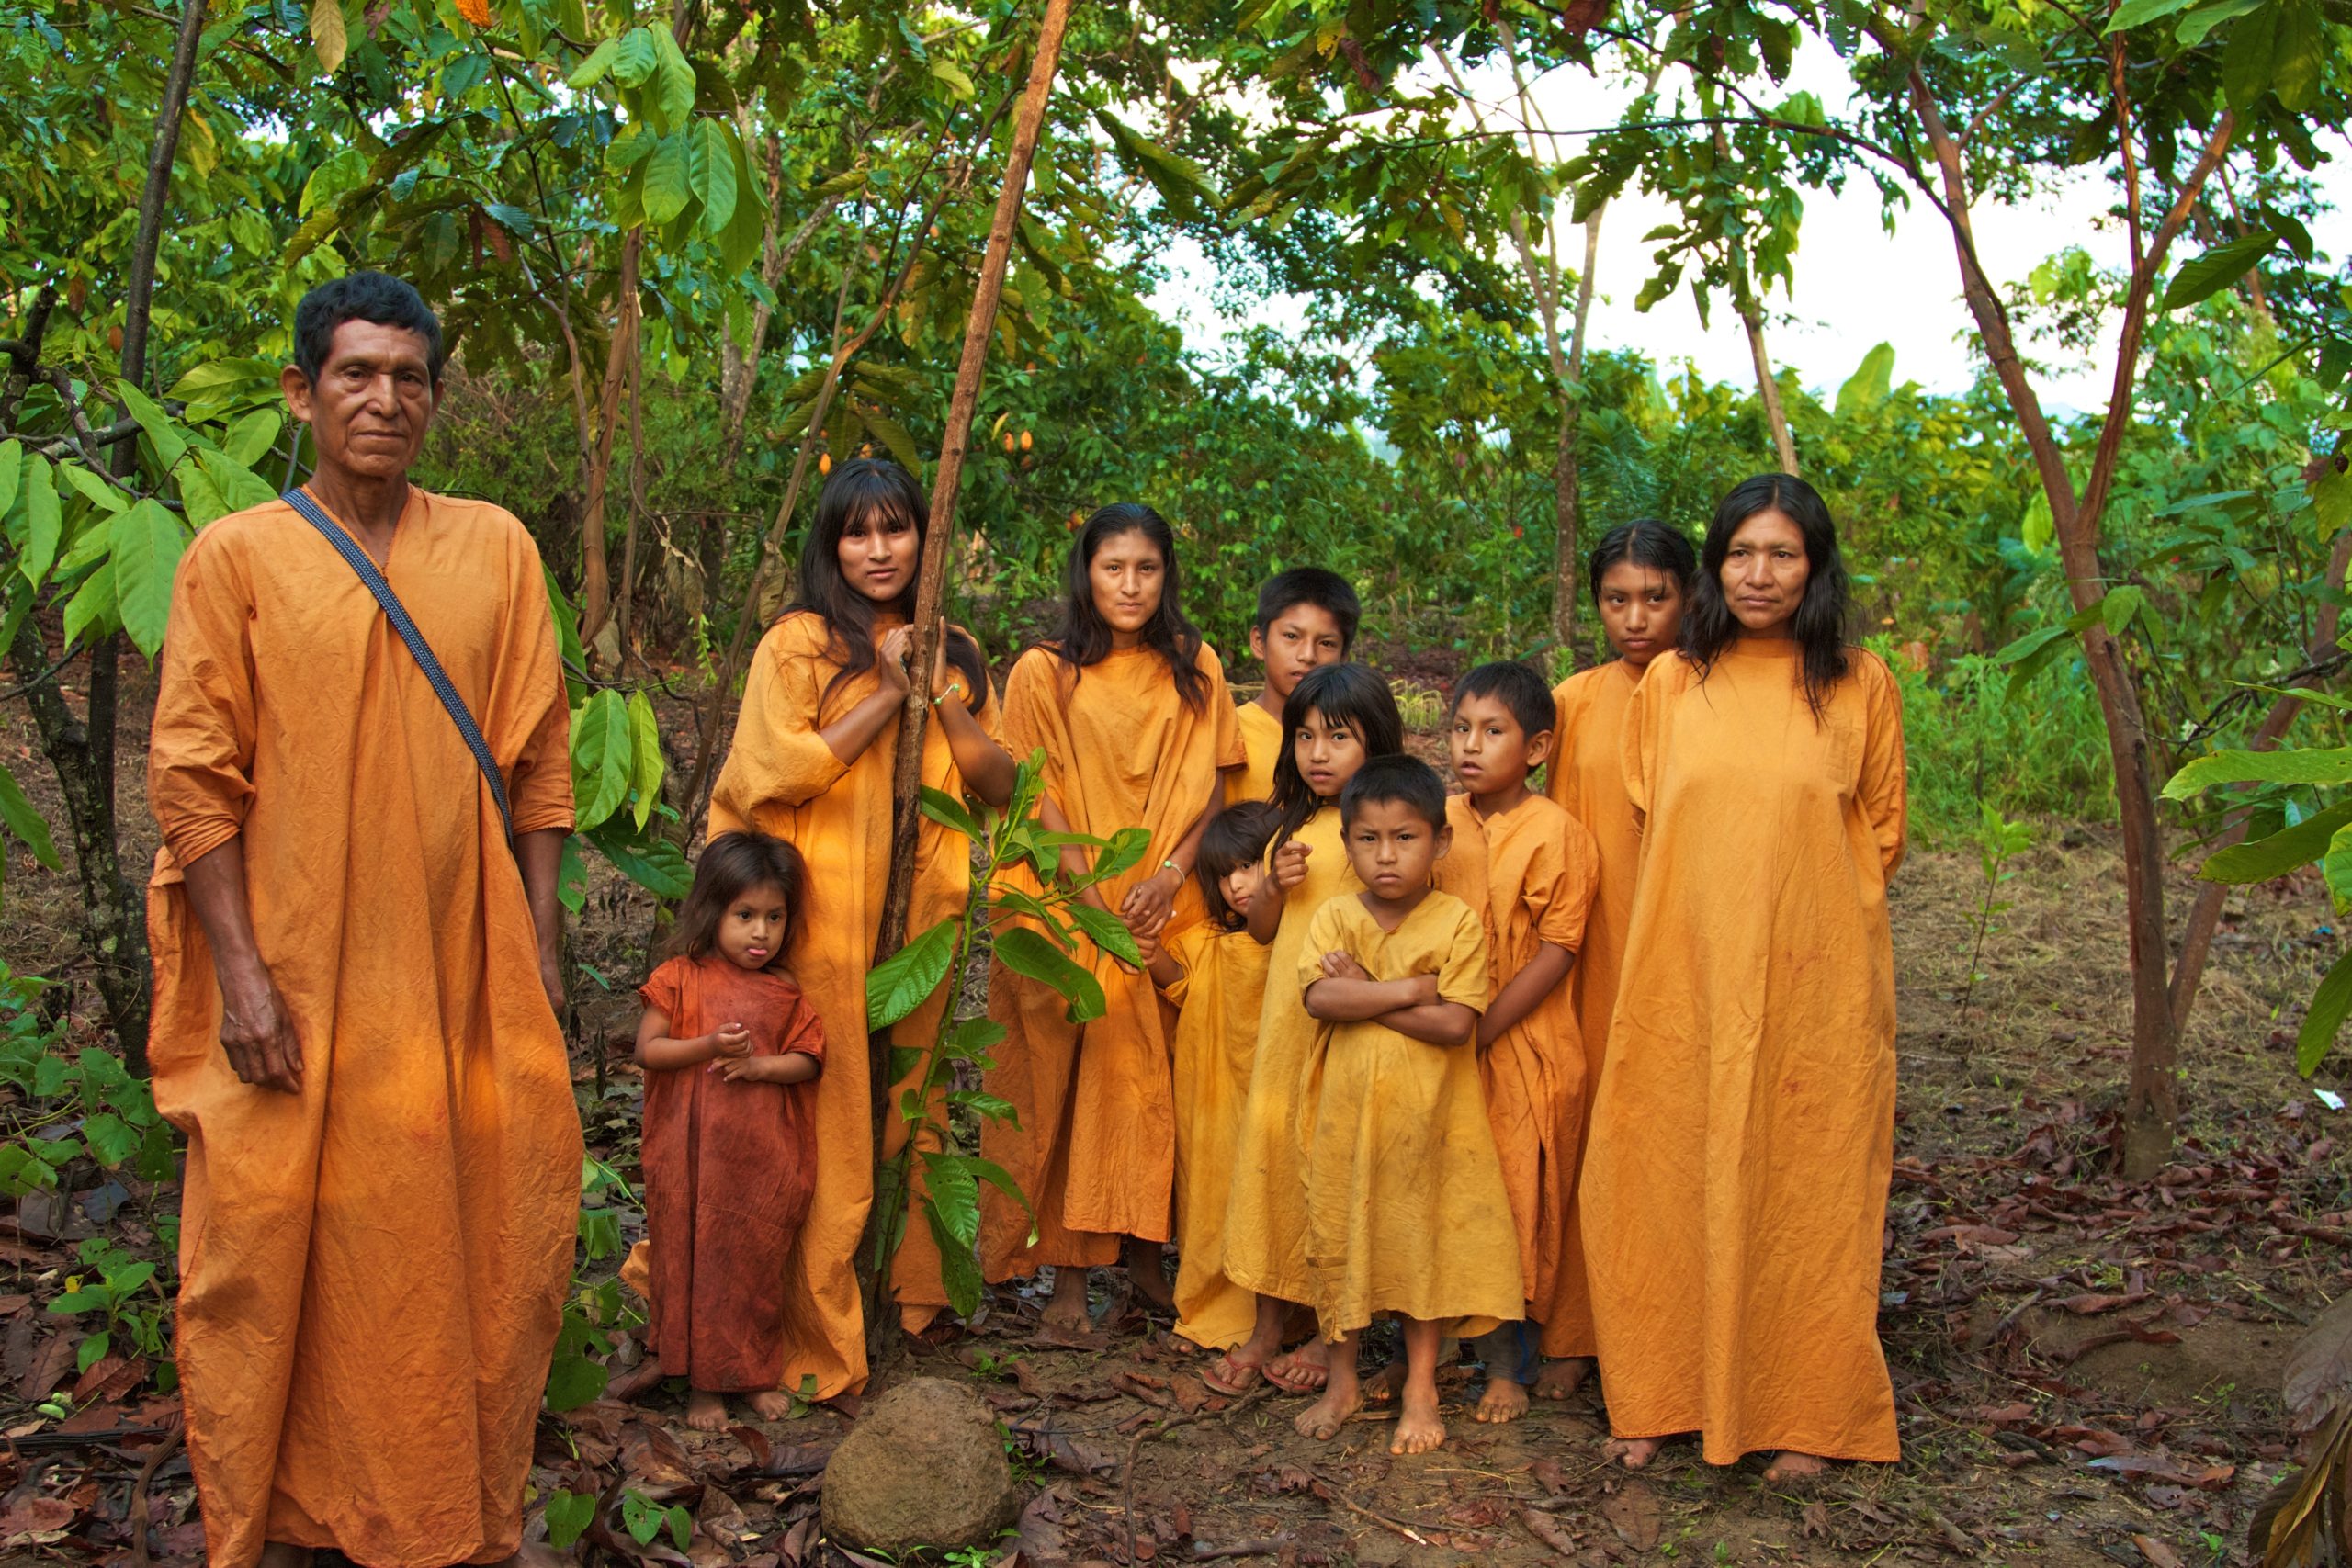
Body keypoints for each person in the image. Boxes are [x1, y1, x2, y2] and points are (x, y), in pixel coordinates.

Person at [146, 270, 580, 1568]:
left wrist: (545, 945)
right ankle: (280, 1515)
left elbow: (538, 760)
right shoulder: (238, 558)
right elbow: (191, 774)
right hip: (291, 968)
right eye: (356, 373)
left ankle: (451, 1510)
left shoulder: (494, 544)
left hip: (460, 964)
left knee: (480, 1230)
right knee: (270, 1246)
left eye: (408, 377)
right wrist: (241, 973)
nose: (384, 398)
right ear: (303, 390)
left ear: (435, 398)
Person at [1582, 475, 1906, 1480]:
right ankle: (1656, 1393)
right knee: (1661, 1165)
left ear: (1814, 566)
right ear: (1715, 565)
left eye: (1782, 554)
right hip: (1681, 974)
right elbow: (1650, 811)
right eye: (1740, 554)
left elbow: (1880, 830)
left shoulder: (1858, 680)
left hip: (1816, 983)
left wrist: (1794, 924)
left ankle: (1806, 1414)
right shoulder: (1674, 683)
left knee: (1805, 1182)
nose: (1759, 574)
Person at [708, 457, 1014, 1398]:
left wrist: (942, 692)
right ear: (829, 545)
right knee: (822, 1120)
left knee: (909, 1104)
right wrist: (885, 691)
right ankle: (804, 1334)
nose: (879, 551)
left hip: (918, 922)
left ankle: (904, 1294)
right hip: (821, 920)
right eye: (858, 532)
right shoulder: (799, 644)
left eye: (897, 530)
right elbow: (772, 771)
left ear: (926, 536)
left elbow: (1000, 786)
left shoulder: (952, 646)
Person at [978, 504, 1244, 1330]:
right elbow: (1037, 792)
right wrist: (1094, 905)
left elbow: (1214, 788)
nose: (1129, 585)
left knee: (1160, 1084)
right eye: (1112, 567)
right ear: (1084, 572)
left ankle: (1145, 1262)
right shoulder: (1042, 671)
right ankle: (1064, 1279)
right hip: (1072, 907)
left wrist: (1168, 875)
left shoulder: (1196, 664)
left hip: (1166, 901)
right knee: (1073, 1082)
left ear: (1168, 575)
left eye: (1146, 569)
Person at [1290, 755, 1521, 1455]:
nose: (1385, 855)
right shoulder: (1334, 914)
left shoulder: (1454, 921)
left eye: (1405, 838)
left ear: (1439, 843)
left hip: (1428, 1127)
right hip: (1343, 1123)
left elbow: (1458, 1024)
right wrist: (1406, 989)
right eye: (1367, 839)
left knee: (1418, 1247)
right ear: (1347, 842)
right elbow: (1319, 996)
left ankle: (1421, 1387)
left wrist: (1368, 990)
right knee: (1337, 1238)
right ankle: (1342, 1381)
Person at [1543, 519, 1696, 1398]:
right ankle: (1577, 1329)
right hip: (1593, 948)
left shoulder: (1708, 692)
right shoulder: (1572, 701)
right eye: (1616, 599)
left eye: (1656, 598)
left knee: (1672, 1133)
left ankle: (1672, 1331)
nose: (1635, 617)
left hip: (1681, 946)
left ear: (1689, 597)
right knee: (1590, 1130)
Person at [1220, 663, 1403, 1393]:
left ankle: (1336, 1333)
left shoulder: (1380, 829)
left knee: (1336, 1176)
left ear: (1376, 742)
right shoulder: (1288, 827)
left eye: (1338, 737)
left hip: (1348, 1034)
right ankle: (1270, 1321)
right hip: (1284, 1034)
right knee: (1273, 1168)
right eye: (1304, 736)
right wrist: (1273, 885)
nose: (1318, 753)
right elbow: (1263, 930)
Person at [1435, 660, 1598, 1423]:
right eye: (1461, 727)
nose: (1470, 744)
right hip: (1440, 1035)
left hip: (1523, 1041)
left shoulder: (1557, 832)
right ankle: (1431, 1348)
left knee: (1512, 1196)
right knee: (1444, 1191)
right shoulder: (1439, 819)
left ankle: (1508, 1362)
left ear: (1535, 747)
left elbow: (1557, 950)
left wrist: (1484, 1027)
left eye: (1491, 730)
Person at [634, 833, 824, 1432]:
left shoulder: (784, 991)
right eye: (745, 915)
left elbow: (811, 1057)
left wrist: (761, 1066)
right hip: (689, 1168)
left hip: (756, 1170)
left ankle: (754, 1375)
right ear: (713, 910)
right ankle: (703, 1389)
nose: (760, 933)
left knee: (752, 1271)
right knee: (695, 1266)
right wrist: (708, 1045)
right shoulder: (679, 978)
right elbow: (648, 1049)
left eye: (773, 916)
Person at [1142, 803, 1278, 1363]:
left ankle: (1279, 1319)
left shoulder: (1291, 940)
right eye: (1224, 874)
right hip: (1213, 1102)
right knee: (1211, 1200)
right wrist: (1152, 955)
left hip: (1268, 1103)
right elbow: (1181, 988)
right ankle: (1211, 1308)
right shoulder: (1202, 940)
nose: (1238, 884)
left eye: (1250, 866)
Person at [1228, 569, 1361, 805]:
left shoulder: (1358, 739)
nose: (1308, 655)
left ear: (1344, 657)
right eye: (1291, 636)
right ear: (1259, 642)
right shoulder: (1229, 733)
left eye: (1326, 643)